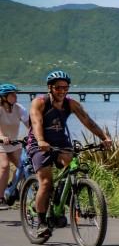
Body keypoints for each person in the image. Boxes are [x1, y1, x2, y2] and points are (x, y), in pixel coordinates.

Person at [26, 71, 113, 237]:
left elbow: (88, 121)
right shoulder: (39, 102)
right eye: (58, 87)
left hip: (61, 143)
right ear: (49, 88)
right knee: (46, 181)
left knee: (72, 164)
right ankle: (42, 223)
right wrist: (41, 141)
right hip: (39, 145)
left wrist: (104, 137)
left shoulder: (71, 103)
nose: (62, 91)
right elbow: (36, 122)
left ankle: (59, 199)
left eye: (65, 87)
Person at [0, 84, 30, 209]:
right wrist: (2, 137)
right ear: (4, 97)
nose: (16, 97)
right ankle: (1, 197)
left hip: (13, 143)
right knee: (4, 166)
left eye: (16, 94)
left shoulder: (18, 108)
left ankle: (11, 187)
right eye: (13, 95)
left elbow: (30, 125)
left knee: (23, 167)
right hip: (1, 143)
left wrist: (32, 136)